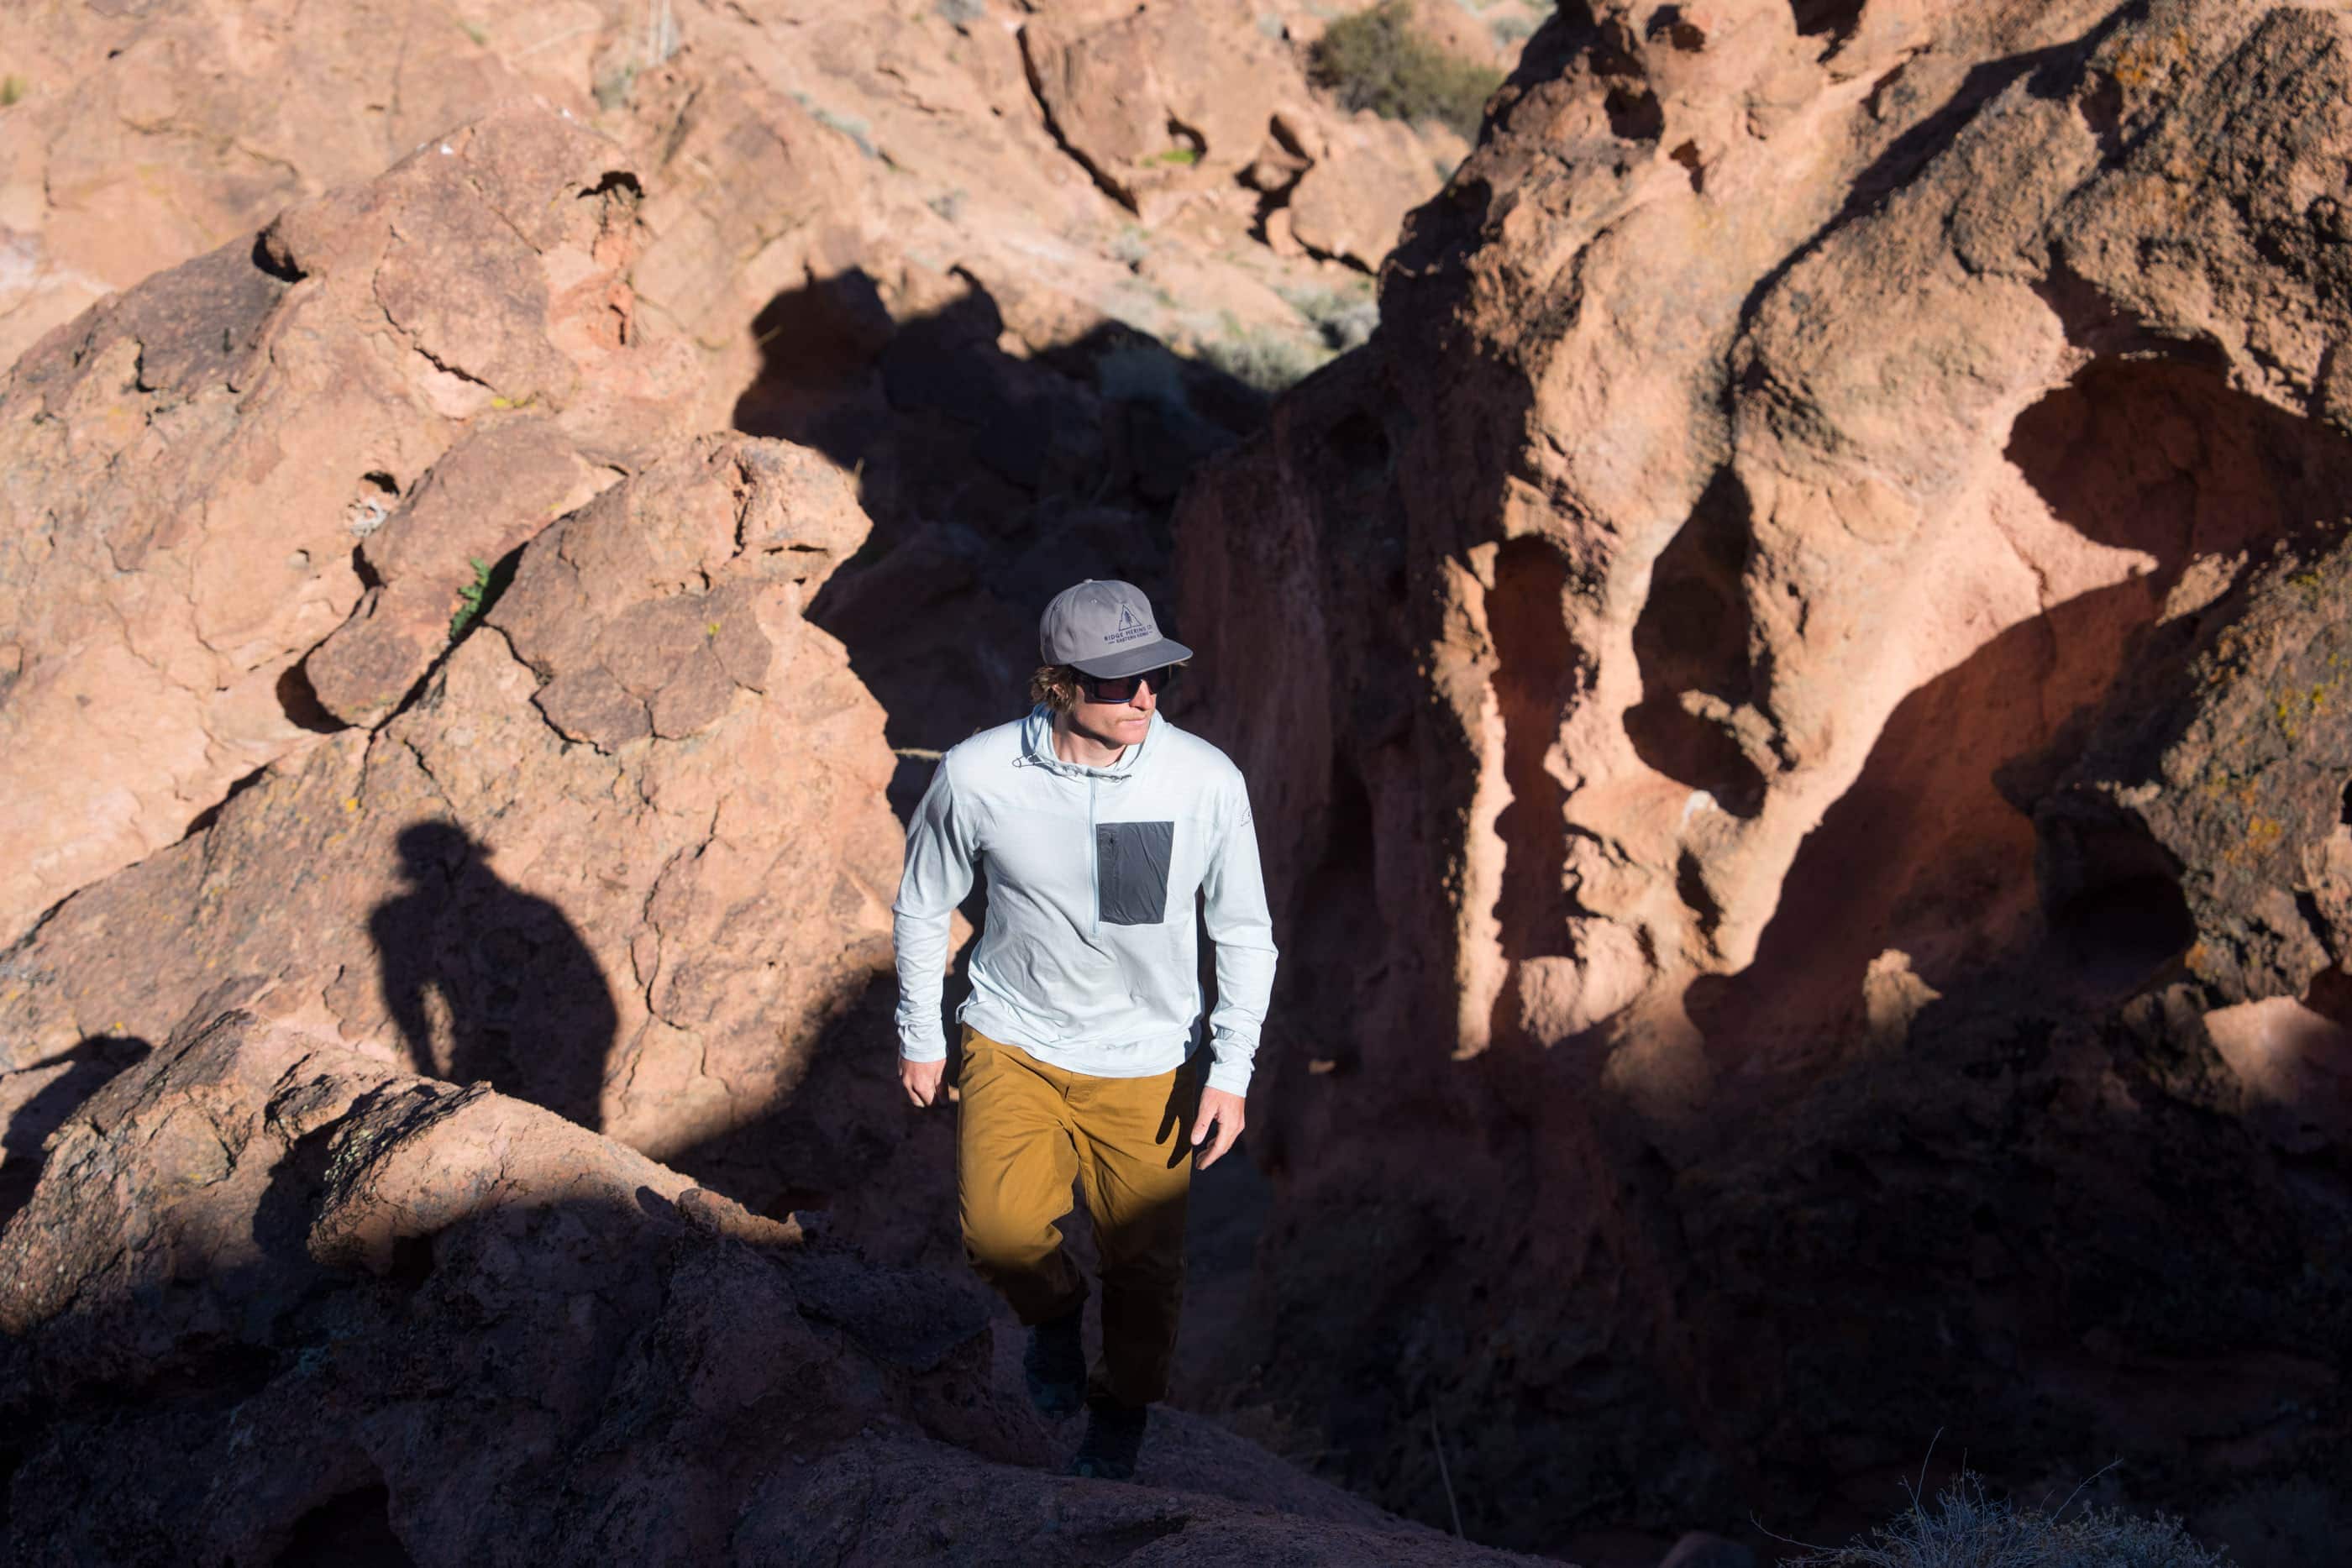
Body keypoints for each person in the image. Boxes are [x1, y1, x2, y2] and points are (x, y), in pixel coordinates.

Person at [891, 578, 1278, 1481]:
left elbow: (1244, 931)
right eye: (1117, 680)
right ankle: (1053, 1317)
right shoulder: (979, 774)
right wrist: (921, 1032)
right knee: (998, 1234)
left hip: (1150, 1061)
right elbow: (922, 906)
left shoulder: (1203, 780)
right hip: (1013, 1034)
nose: (1144, 695)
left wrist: (1232, 1069)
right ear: (1056, 682)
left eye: (1156, 676)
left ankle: (1121, 1409)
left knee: (1145, 1277)